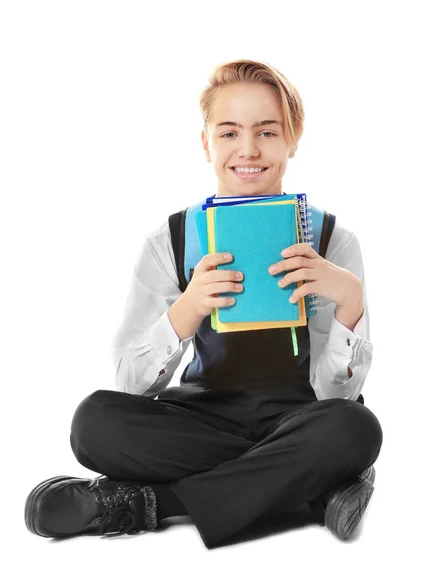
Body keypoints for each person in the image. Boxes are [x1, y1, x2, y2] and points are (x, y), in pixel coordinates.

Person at [24, 59, 383, 549]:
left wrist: (350, 304)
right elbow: (130, 384)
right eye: (230, 132)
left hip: (301, 416)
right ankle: (314, 484)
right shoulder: (167, 242)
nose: (249, 150)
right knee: (93, 423)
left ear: (292, 140)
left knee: (353, 428)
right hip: (204, 418)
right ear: (206, 143)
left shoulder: (332, 241)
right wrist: (185, 311)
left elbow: (334, 398)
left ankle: (150, 503)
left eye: (268, 132)